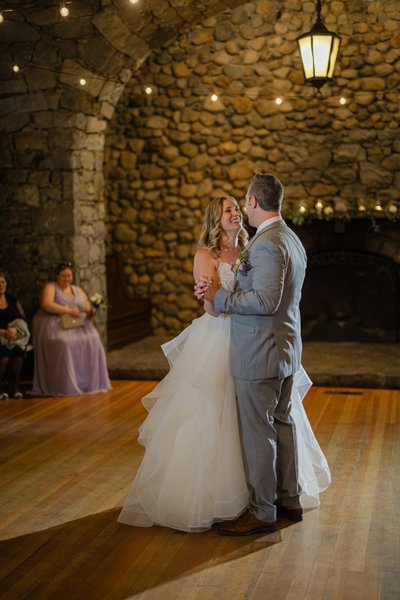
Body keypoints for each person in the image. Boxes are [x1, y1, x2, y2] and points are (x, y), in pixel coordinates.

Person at [118, 195, 330, 533]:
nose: (235, 213)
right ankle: (227, 498)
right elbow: (212, 310)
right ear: (215, 221)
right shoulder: (206, 256)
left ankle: (269, 496)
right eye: (227, 210)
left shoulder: (251, 249)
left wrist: (224, 294)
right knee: (221, 417)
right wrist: (211, 294)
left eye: (236, 207)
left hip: (254, 339)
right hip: (219, 339)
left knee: (262, 418)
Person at [195, 173, 311, 536]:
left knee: (260, 430)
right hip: (285, 350)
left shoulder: (264, 243)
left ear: (254, 203)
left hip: (259, 353)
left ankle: (263, 510)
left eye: (243, 201)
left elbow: (265, 300)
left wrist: (219, 296)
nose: (242, 207)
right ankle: (288, 498)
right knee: (282, 422)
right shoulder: (289, 238)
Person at [30, 262, 111, 397]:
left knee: (93, 339)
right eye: (63, 276)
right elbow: (46, 304)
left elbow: (85, 305)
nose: (66, 279)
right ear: (57, 276)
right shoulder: (51, 287)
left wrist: (91, 311)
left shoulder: (77, 289)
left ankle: (87, 382)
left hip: (77, 323)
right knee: (65, 343)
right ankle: (66, 384)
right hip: (56, 323)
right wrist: (67, 310)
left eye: (69, 275)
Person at [0, 271, 29, 399]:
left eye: (3, 282)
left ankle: (16, 387)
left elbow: (23, 319)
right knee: (4, 358)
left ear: (6, 284)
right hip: (0, 337)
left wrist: (15, 330)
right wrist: (3, 332)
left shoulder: (13, 300)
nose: (0, 285)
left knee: (18, 357)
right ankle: (0, 388)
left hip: (13, 338)